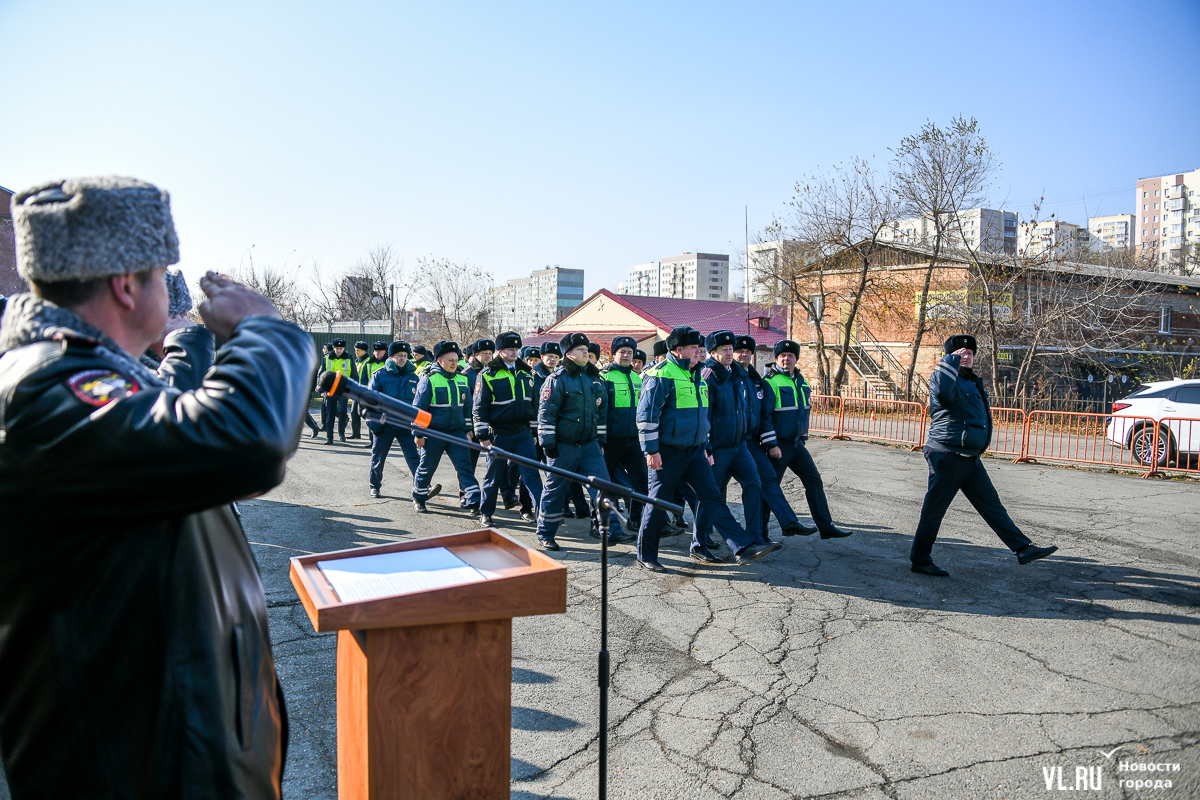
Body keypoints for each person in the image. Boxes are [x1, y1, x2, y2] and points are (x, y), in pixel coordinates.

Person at [0, 175, 315, 799]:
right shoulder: (42, 388)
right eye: (160, 270)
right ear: (126, 283)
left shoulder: (87, 371)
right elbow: (241, 439)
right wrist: (263, 328)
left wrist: (198, 342)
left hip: (167, 746)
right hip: (135, 767)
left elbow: (186, 449)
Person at [911, 335, 1057, 576]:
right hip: (947, 455)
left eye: (969, 352)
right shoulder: (942, 376)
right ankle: (920, 560)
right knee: (934, 511)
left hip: (969, 457)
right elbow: (945, 396)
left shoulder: (973, 382)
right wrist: (950, 362)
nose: (966, 355)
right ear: (950, 356)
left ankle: (1022, 548)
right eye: (960, 352)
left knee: (992, 505)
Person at [636, 326, 779, 572]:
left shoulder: (698, 374)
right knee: (658, 502)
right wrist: (651, 450)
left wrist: (705, 446)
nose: (699, 351)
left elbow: (703, 417)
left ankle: (742, 547)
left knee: (712, 497)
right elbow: (647, 416)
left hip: (695, 452)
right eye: (694, 347)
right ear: (679, 350)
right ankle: (646, 554)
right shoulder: (662, 374)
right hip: (667, 453)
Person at [535, 333, 630, 550]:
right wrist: (548, 443)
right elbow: (546, 413)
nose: (585, 351)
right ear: (568, 354)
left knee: (604, 489)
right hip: (563, 447)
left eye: (586, 348)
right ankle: (546, 533)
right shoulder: (557, 379)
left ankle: (612, 530)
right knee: (554, 490)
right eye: (580, 349)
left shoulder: (594, 378)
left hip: (590, 446)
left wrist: (601, 439)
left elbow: (602, 411)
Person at [763, 340, 853, 540]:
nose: (787, 359)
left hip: (796, 444)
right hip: (778, 445)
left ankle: (826, 527)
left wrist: (803, 437)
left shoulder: (801, 381)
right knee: (770, 488)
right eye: (782, 356)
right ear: (776, 359)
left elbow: (803, 411)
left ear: (796, 359)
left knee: (814, 482)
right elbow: (765, 416)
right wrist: (771, 444)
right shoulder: (770, 381)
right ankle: (762, 534)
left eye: (791, 356)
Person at [692, 330, 766, 562]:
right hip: (718, 448)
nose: (729, 353)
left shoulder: (737, 373)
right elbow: (704, 413)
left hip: (738, 445)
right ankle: (698, 543)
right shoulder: (708, 375)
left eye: (730, 349)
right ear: (712, 352)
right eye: (724, 349)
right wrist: (707, 446)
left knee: (754, 483)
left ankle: (754, 538)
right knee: (710, 494)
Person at [733, 336, 811, 538]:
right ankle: (701, 540)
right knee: (712, 492)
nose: (744, 354)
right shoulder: (720, 375)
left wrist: (768, 442)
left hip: (748, 441)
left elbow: (760, 414)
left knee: (763, 482)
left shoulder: (754, 379)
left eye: (749, 352)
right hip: (723, 443)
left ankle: (777, 527)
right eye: (739, 351)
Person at [474, 331, 543, 526]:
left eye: (516, 349)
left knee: (531, 474)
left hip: (522, 433)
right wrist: (483, 435)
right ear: (500, 351)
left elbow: (534, 405)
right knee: (493, 476)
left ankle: (542, 515)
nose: (514, 352)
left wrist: (534, 431)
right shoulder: (487, 374)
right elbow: (479, 407)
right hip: (498, 434)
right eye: (510, 349)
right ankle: (486, 512)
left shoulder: (526, 372)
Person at [411, 340, 481, 513]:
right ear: (439, 361)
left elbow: (467, 409)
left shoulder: (462, 379)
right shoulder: (428, 380)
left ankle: (474, 502)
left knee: (465, 468)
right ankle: (419, 497)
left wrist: (467, 431)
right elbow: (418, 410)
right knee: (426, 468)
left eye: (456, 360)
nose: (454, 363)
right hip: (433, 434)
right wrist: (418, 434)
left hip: (456, 433)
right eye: (450, 360)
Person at [367, 341, 439, 500]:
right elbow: (370, 402)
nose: (402, 358)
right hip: (384, 424)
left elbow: (419, 403)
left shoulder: (413, 376)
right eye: (399, 355)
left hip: (406, 425)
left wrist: (420, 426)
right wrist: (374, 425)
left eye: (405, 356)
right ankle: (375, 485)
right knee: (378, 457)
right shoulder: (380, 375)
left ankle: (423, 486)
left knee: (414, 457)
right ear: (391, 356)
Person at [601, 336, 647, 533]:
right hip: (611, 441)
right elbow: (600, 411)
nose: (627, 355)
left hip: (634, 440)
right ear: (614, 354)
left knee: (641, 482)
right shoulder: (605, 377)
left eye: (630, 352)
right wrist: (600, 440)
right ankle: (601, 524)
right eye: (622, 352)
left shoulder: (638, 378)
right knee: (604, 484)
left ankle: (635, 519)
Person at [321, 337, 357, 443]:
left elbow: (354, 375)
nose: (339, 350)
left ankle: (341, 433)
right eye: (337, 348)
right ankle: (329, 437)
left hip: (343, 391)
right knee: (330, 413)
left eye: (341, 348)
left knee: (342, 412)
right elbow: (321, 374)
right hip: (330, 390)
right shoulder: (327, 359)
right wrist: (322, 389)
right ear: (333, 348)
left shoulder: (349, 359)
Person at [349, 341, 370, 438]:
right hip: (356, 391)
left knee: (365, 413)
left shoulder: (368, 362)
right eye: (355, 350)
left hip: (364, 391)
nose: (356, 352)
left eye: (358, 350)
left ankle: (373, 435)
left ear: (364, 351)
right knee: (354, 412)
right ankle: (356, 433)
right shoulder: (358, 361)